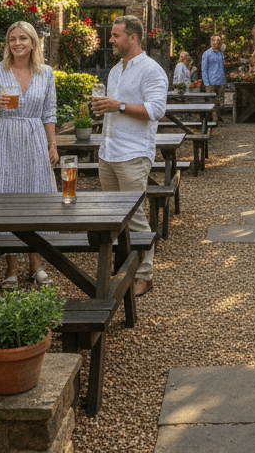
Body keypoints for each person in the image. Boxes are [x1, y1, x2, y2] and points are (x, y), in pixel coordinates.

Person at [0, 21, 58, 288]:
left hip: (34, 137)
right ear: (7, 43)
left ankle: (37, 266)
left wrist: (53, 144)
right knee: (6, 199)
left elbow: (49, 112)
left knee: (36, 198)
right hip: (3, 138)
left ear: (33, 42)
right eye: (12, 39)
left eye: (23, 38)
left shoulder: (45, 72)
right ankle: (11, 269)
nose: (17, 43)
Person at [91, 15, 167, 297]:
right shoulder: (114, 71)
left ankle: (145, 275)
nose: (110, 40)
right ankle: (124, 268)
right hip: (108, 151)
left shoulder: (151, 70)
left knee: (135, 217)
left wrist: (118, 105)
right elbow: (113, 107)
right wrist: (105, 108)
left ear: (132, 38)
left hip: (133, 154)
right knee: (113, 216)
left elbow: (156, 110)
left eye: (115, 35)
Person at [201, 34, 226, 115]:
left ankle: (216, 117)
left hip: (221, 81)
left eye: (219, 41)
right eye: (215, 41)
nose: (217, 42)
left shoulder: (220, 54)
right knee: (211, 102)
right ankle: (213, 120)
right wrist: (207, 83)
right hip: (211, 82)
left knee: (221, 102)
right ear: (211, 42)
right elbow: (204, 70)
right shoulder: (206, 54)